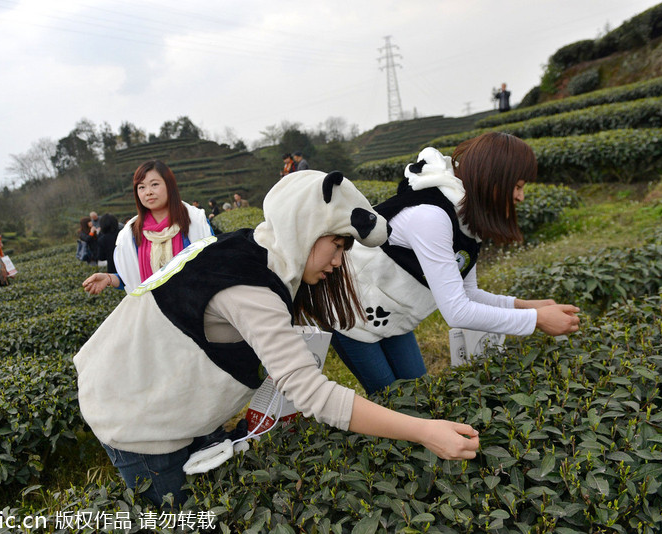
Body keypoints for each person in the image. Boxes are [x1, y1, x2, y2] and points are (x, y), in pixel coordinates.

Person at [74, 170, 480, 508]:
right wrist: (425, 431)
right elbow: (314, 395)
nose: (339, 262)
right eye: (337, 245)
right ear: (305, 228)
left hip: (167, 399)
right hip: (135, 418)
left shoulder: (250, 250)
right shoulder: (250, 289)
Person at [332, 133, 580, 394]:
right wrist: (535, 320)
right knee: (395, 405)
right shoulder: (432, 217)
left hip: (395, 317)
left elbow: (467, 294)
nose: (521, 197)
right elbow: (457, 312)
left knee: (419, 397)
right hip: (349, 312)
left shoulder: (465, 216)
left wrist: (524, 306)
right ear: (493, 181)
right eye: (517, 186)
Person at [82, 160, 213, 295]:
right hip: (154, 311)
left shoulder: (195, 221)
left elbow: (213, 263)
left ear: (170, 186)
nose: (148, 192)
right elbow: (131, 278)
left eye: (154, 184)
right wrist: (109, 278)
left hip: (196, 304)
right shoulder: (130, 233)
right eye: (141, 187)